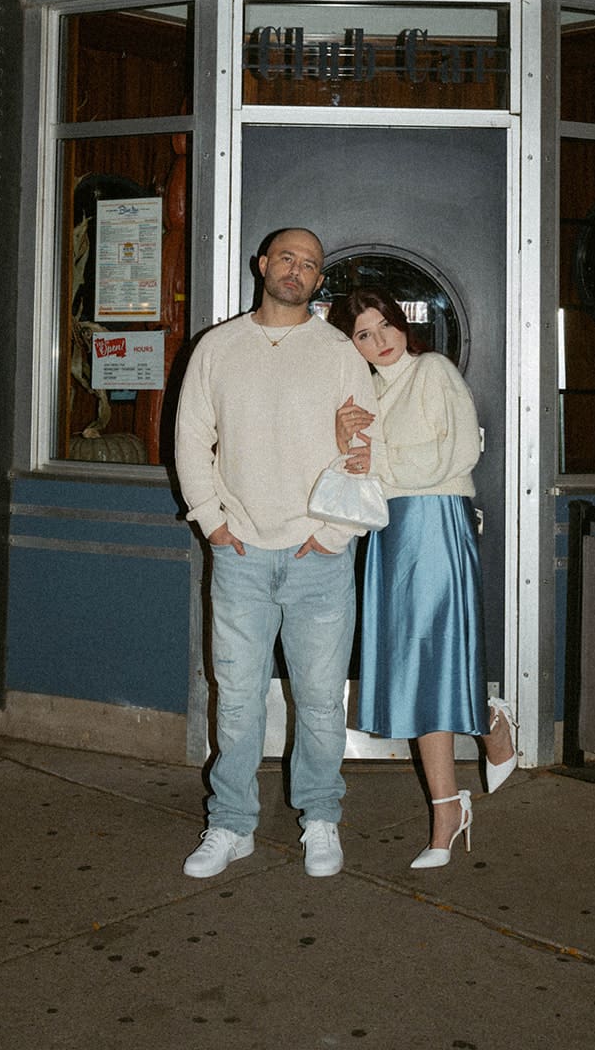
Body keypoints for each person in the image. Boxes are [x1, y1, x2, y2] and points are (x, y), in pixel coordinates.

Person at [175, 228, 382, 879]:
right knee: (234, 699)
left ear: (319, 281)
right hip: (238, 554)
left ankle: (319, 818)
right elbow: (190, 437)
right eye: (286, 258)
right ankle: (230, 824)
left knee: (319, 700)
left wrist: (332, 535)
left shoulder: (337, 352)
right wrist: (211, 522)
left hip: (317, 555)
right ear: (262, 264)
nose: (297, 270)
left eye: (310, 265)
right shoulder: (217, 347)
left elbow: (363, 448)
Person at [328, 287, 517, 870]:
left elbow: (453, 457)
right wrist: (345, 440)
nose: (380, 341)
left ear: (401, 324)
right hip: (389, 535)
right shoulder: (359, 395)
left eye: (384, 325)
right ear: (352, 345)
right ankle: (449, 805)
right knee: (411, 669)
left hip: (437, 524)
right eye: (363, 334)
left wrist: (375, 460)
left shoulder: (433, 371)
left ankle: (486, 722)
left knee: (436, 657)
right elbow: (348, 474)